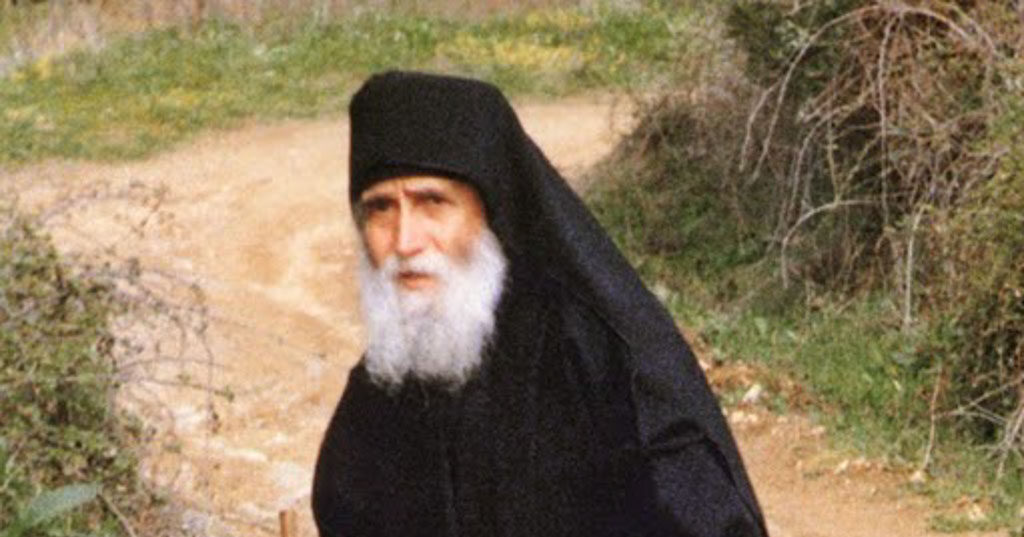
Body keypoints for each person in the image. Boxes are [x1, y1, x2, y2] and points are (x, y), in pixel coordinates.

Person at [312, 70, 768, 537]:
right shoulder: (382, 384)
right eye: (380, 208)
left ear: (490, 212)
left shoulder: (603, 358)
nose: (405, 240)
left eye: (433, 202)